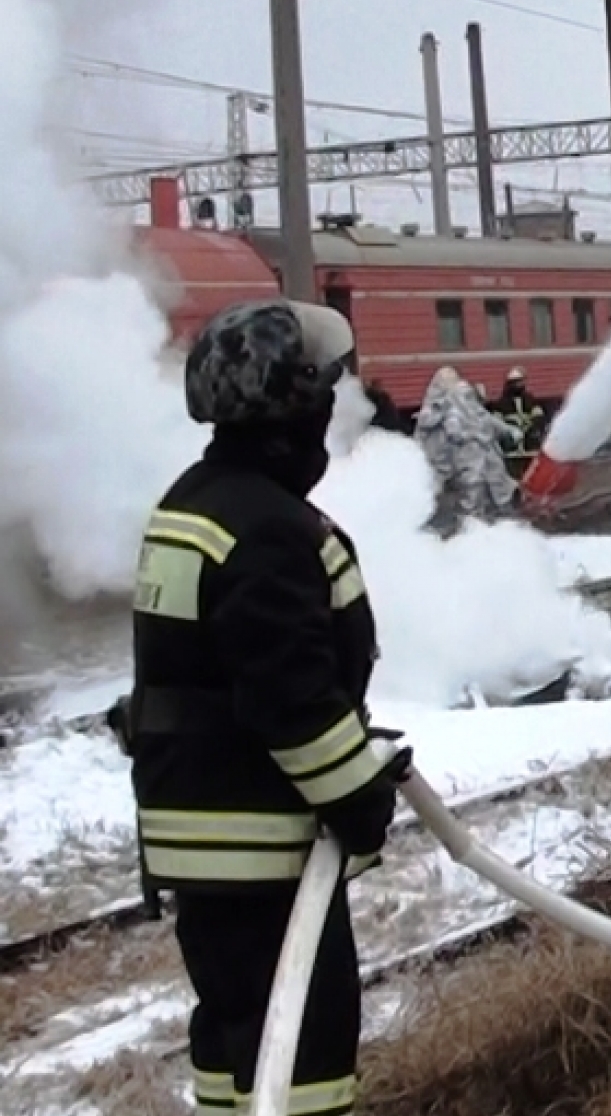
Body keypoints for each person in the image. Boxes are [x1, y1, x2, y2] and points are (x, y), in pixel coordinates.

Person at [109, 299, 411, 1116]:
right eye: (322, 397)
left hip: (197, 837)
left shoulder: (191, 504)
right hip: (260, 843)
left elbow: (203, 675)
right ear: (294, 410)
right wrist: (359, 793)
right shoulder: (269, 530)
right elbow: (290, 700)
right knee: (301, 1053)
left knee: (236, 1039)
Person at [414, 367, 521, 529]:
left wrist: (508, 431)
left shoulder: (469, 409)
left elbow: (486, 419)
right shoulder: (443, 411)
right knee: (472, 496)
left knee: (495, 494)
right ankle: (472, 530)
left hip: (486, 461)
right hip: (465, 464)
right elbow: (447, 430)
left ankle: (493, 525)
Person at [493, 367, 546, 456]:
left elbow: (539, 417)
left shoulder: (530, 399)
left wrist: (530, 427)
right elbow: (497, 424)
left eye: (521, 382)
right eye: (516, 382)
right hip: (511, 447)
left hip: (529, 444)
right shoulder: (501, 403)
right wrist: (511, 428)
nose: (519, 385)